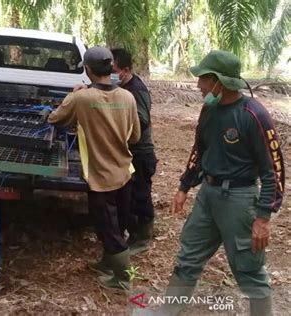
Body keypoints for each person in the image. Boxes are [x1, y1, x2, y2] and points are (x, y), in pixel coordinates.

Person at [138, 50, 285, 316]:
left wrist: (264, 217)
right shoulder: (209, 110)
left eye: (204, 79)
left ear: (219, 80)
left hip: (239, 201)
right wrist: (184, 186)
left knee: (249, 270)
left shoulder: (254, 115)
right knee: (188, 257)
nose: (198, 86)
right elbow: (199, 150)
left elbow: (273, 169)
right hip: (208, 195)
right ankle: (166, 312)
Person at [48, 46, 141, 290]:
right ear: (111, 67)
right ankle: (108, 264)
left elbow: (55, 119)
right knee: (118, 225)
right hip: (124, 172)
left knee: (108, 230)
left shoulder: (82, 98)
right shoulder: (127, 97)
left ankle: (123, 280)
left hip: (101, 178)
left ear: (88, 70)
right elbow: (135, 137)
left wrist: (74, 94)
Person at [111, 48, 157, 256]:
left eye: (114, 70)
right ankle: (132, 233)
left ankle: (143, 238)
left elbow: (142, 120)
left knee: (140, 194)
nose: (110, 74)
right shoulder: (121, 87)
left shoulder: (135, 89)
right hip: (127, 150)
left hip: (140, 152)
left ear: (126, 70)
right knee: (128, 195)